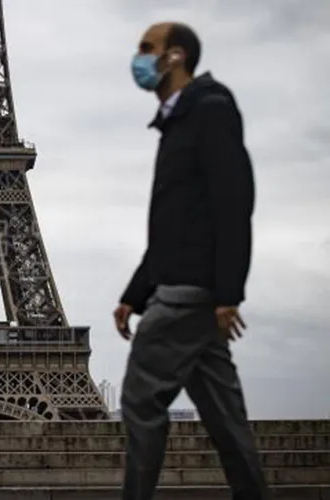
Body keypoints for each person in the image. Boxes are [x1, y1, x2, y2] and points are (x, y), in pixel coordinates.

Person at [114, 22, 269, 499]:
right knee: (226, 420)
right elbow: (175, 226)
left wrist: (229, 293)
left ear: (175, 56)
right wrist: (133, 295)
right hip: (191, 293)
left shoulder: (209, 109)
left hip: (185, 296)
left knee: (140, 404)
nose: (137, 57)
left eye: (146, 48)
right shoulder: (179, 119)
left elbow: (234, 199)